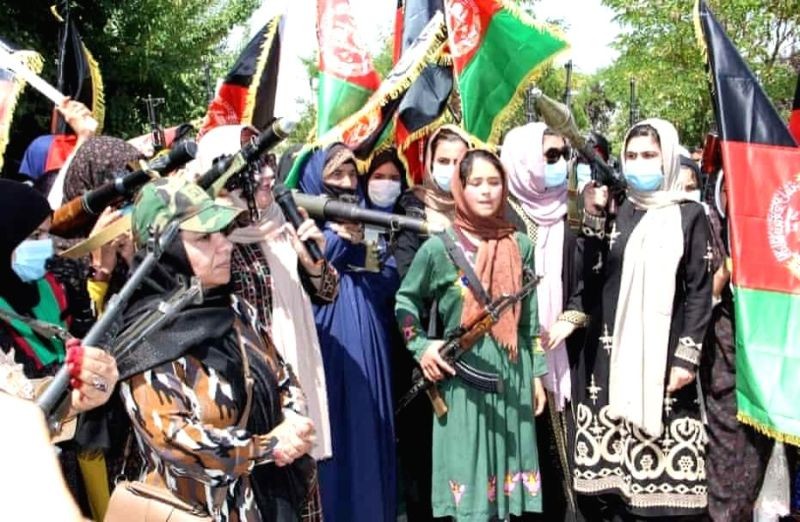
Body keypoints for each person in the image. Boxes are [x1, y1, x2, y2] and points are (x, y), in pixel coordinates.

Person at [116, 176, 316, 521]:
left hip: (267, 503)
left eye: (223, 234)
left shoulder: (235, 310)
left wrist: (295, 421)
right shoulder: (144, 336)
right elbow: (174, 439)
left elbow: (282, 376)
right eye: (205, 238)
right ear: (165, 251)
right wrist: (268, 447)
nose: (225, 246)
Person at [194, 124, 338, 521]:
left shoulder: (283, 220)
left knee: (300, 490)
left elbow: (328, 293)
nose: (267, 176)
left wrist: (313, 264)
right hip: (241, 400)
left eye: (268, 164)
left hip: (293, 389)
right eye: (252, 168)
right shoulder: (203, 237)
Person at [395, 149, 547, 521]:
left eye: (494, 182)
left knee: (508, 499)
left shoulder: (520, 245)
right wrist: (421, 346)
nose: (485, 191)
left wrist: (537, 374)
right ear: (460, 188)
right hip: (462, 382)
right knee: (471, 498)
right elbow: (405, 301)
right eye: (475, 183)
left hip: (512, 374)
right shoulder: (439, 248)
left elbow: (529, 319)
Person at [574, 118, 712, 519]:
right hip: (610, 349)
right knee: (614, 492)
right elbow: (591, 273)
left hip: (665, 355)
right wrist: (593, 218)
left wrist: (688, 356)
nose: (639, 163)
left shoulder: (690, 215)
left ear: (668, 158)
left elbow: (700, 290)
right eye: (631, 156)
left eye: (649, 155)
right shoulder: (618, 207)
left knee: (665, 500)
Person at [0, 178, 119, 518]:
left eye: (48, 234)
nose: (46, 246)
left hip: (76, 456)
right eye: (34, 236)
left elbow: (88, 332)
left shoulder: (55, 281)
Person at [297, 143, 399, 522]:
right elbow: (312, 280)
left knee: (370, 432)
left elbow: (385, 279)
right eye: (335, 174)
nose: (346, 182)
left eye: (352, 174)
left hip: (368, 341)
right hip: (327, 343)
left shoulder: (368, 221)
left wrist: (364, 239)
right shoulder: (304, 226)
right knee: (335, 437)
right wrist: (339, 239)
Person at [501, 122, 589, 520]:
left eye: (562, 156)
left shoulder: (569, 211)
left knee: (564, 458)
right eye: (549, 156)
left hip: (565, 352)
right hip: (515, 356)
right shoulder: (501, 216)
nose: (559, 165)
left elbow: (586, 279)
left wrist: (571, 317)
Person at [394, 124, 472, 277]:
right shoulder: (412, 209)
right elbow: (407, 272)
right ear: (430, 163)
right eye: (443, 161)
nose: (452, 169)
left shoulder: (480, 205)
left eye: (459, 162)